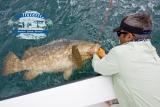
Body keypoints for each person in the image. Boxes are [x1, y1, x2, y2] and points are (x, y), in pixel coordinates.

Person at [90, 12, 160, 107]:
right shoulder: (154, 55)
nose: (118, 37)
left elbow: (98, 67)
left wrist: (94, 53)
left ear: (129, 36)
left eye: (119, 33)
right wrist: (108, 58)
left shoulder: (118, 52)